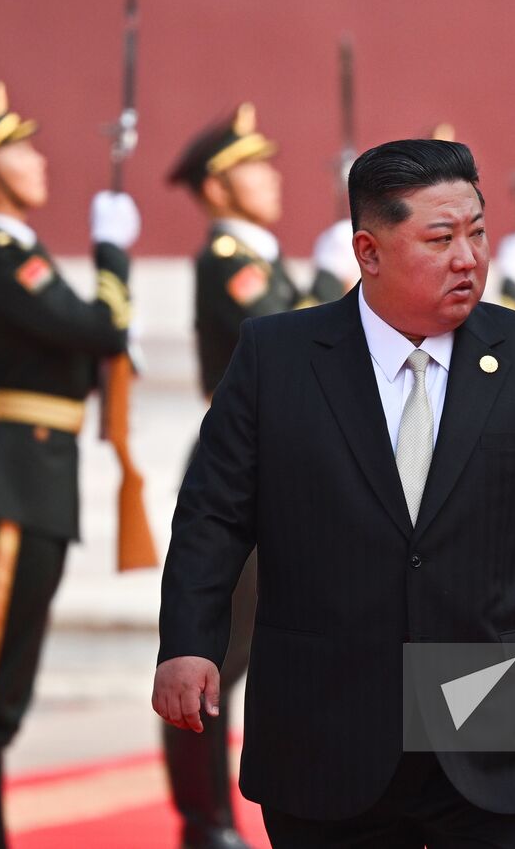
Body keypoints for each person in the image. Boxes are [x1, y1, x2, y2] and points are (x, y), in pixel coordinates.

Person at [153, 138, 515, 848]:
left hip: (499, 728)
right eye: (440, 238)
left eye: (477, 230)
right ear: (368, 252)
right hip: (329, 735)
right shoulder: (277, 358)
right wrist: (189, 642)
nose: (468, 257)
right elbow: (212, 517)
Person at [0, 81, 138, 847]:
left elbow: (83, 349)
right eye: (21, 148)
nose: (40, 159)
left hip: (38, 481)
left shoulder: (19, 249)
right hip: (10, 483)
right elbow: (97, 326)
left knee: (4, 688)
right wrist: (114, 252)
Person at [164, 102, 299, 849]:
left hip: (284, 464)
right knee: (212, 658)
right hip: (241, 464)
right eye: (253, 166)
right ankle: (205, 819)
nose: (271, 178)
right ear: (217, 187)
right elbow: (279, 333)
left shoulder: (264, 260)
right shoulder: (227, 261)